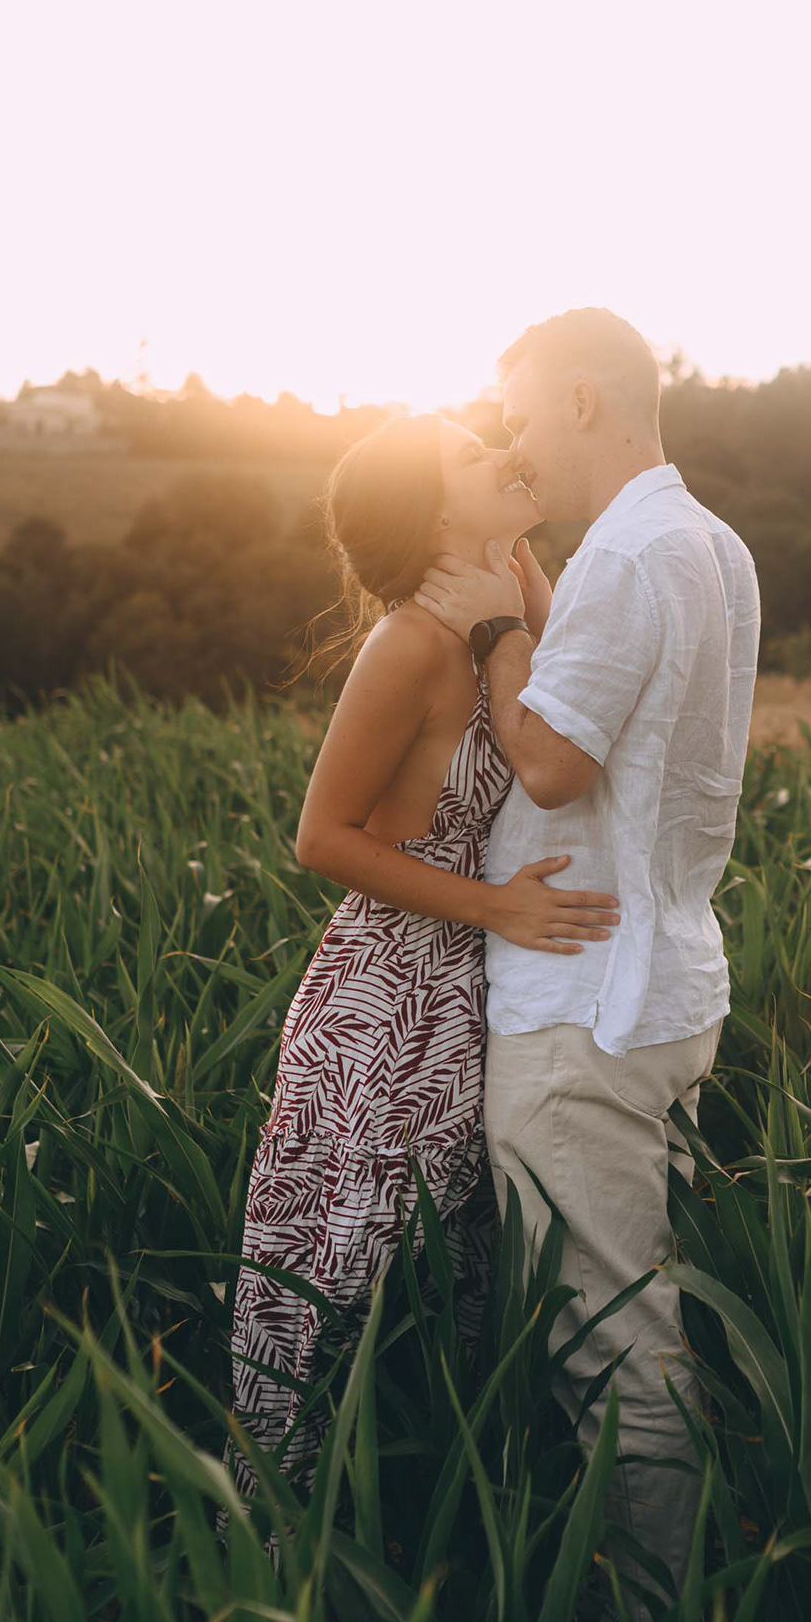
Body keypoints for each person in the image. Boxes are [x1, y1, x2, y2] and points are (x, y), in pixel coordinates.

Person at [416, 307, 760, 1622]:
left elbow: (554, 763)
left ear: (577, 402)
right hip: (665, 979)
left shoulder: (623, 552)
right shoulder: (710, 543)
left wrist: (494, 631)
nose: (511, 447)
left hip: (584, 1009)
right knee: (646, 1315)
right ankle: (679, 1619)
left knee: (611, 1343)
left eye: (517, 418)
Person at [228, 412, 619, 1497]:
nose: (503, 452)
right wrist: (496, 909)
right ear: (433, 513)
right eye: (471, 458)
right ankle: (291, 1531)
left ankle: (433, 1511)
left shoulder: (506, 611)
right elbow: (321, 838)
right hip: (388, 999)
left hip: (471, 988)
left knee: (461, 1274)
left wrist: (516, 568)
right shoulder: (409, 644)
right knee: (357, 1274)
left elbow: (568, 714)